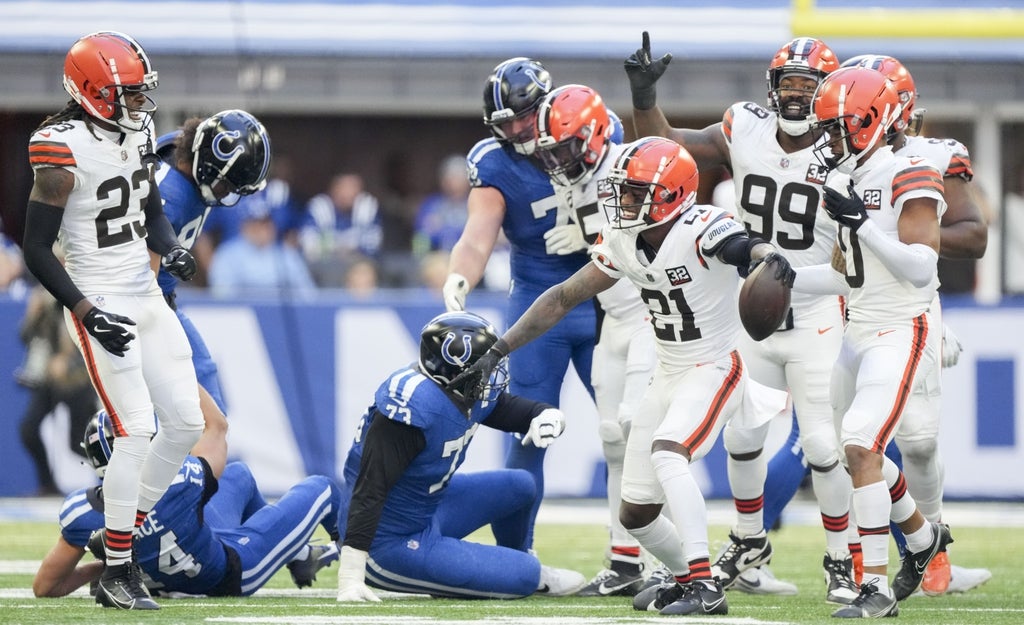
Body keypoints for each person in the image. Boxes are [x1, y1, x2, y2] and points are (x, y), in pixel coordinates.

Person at [449, 137, 796, 616]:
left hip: (714, 366)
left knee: (669, 453)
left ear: (672, 195)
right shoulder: (625, 239)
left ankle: (705, 586)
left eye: (635, 193)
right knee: (635, 512)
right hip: (668, 369)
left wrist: (765, 255)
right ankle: (680, 577)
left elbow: (741, 246)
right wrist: (500, 349)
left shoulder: (700, 228)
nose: (623, 201)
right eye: (624, 191)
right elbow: (562, 297)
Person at [625, 32, 856, 602]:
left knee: (824, 446)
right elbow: (672, 148)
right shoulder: (743, 127)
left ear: (828, 93)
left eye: (810, 86)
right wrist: (644, 99)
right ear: (772, 88)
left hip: (815, 310)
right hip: (751, 309)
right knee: (742, 437)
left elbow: (864, 248)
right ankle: (749, 541)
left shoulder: (847, 151)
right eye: (790, 84)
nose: (799, 96)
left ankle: (840, 560)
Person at [21, 31, 205, 610]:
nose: (138, 104)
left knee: (185, 424)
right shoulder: (59, 147)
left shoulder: (138, 131)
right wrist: (86, 313)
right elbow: (36, 247)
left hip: (145, 293)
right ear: (94, 92)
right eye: (127, 93)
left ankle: (117, 532)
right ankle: (119, 570)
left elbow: (147, 203)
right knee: (135, 430)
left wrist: (170, 244)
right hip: (99, 298)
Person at [792, 65, 953, 618]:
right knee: (851, 450)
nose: (828, 139)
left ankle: (875, 586)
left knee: (862, 444)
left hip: (901, 325)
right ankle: (921, 535)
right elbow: (846, 275)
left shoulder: (911, 170)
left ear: (873, 120)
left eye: (838, 128)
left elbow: (922, 271)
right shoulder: (845, 178)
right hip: (856, 325)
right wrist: (784, 279)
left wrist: (861, 223)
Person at [442, 57, 598, 555]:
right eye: (504, 123)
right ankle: (516, 556)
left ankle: (632, 557)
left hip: (604, 296)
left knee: (628, 431)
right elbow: (478, 232)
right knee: (529, 434)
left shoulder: (592, 124)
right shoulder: (494, 160)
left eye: (522, 118)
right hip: (537, 307)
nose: (515, 130)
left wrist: (595, 227)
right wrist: (459, 276)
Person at [335, 311, 586, 601]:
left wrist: (547, 415)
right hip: (387, 542)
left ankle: (515, 558)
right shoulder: (412, 407)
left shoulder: (464, 391)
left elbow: (513, 410)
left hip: (428, 510)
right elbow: (370, 489)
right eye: (486, 364)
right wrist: (351, 574)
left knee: (521, 485)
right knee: (527, 574)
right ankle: (522, 572)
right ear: (456, 368)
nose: (493, 372)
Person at [531, 84, 654, 596]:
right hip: (614, 320)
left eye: (566, 148)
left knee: (642, 431)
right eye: (552, 152)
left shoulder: (630, 165)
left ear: (596, 135)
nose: (560, 160)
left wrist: (588, 236)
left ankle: (668, 561)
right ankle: (625, 562)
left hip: (655, 317)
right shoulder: (574, 182)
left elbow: (659, 221)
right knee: (612, 437)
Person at [33, 408, 342, 599]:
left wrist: (109, 564)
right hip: (234, 571)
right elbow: (218, 428)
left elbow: (45, 587)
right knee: (323, 488)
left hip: (184, 561)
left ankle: (299, 554)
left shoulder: (82, 513)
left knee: (239, 476)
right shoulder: (179, 481)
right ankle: (360, 563)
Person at [153, 109, 272, 418]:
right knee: (183, 415)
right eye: (227, 185)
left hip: (162, 303)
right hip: (145, 306)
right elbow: (140, 276)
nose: (228, 194)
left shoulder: (181, 150)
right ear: (206, 165)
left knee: (205, 383)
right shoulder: (169, 197)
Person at [17, 283, 98, 495]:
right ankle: (47, 484)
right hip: (50, 380)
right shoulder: (44, 298)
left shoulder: (85, 294)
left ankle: (112, 479)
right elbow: (27, 337)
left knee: (79, 442)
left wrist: (70, 364)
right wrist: (32, 315)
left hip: (78, 381)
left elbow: (95, 342)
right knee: (29, 430)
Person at [207, 201, 317, 299]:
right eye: (258, 224)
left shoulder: (286, 254)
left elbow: (307, 294)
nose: (264, 230)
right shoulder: (227, 254)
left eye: (267, 224)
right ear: (245, 226)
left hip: (281, 316)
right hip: (242, 317)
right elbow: (221, 295)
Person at [301, 172, 383, 286]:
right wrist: (344, 250)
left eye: (355, 188)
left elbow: (373, 246)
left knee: (363, 272)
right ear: (335, 189)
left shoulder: (367, 207)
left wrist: (336, 248)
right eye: (346, 187)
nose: (351, 193)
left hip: (357, 264)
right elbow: (309, 247)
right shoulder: (320, 207)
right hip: (325, 267)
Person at [413, 153, 471, 256]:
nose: (454, 182)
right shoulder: (431, 204)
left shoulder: (476, 203)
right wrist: (421, 258)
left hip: (471, 256)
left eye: (459, 177)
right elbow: (420, 239)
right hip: (438, 257)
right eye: (451, 177)